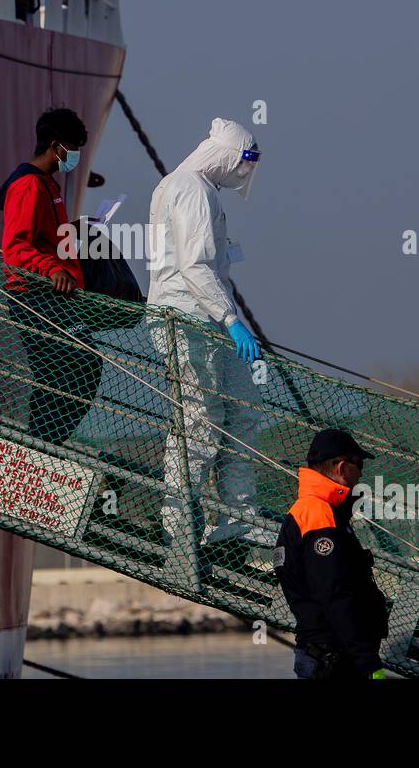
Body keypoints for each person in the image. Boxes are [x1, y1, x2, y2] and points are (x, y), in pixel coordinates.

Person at [147, 118, 268, 548]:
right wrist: (231, 319)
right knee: (199, 420)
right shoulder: (189, 188)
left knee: (241, 413)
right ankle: (178, 520)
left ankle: (239, 513)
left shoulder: (198, 190)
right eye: (243, 162)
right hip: (186, 318)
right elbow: (193, 265)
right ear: (225, 156)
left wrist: (227, 318)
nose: (243, 173)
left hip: (209, 320)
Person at [0, 107, 103, 445]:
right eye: (72, 148)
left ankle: (43, 442)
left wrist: (74, 231)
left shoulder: (47, 186)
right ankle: (41, 442)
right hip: (34, 295)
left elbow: (45, 238)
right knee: (76, 367)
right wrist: (52, 269)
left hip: (54, 296)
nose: (75, 156)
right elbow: (15, 249)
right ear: (56, 146)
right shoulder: (28, 185)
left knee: (68, 370)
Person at [273, 428, 389, 680]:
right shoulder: (318, 515)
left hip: (330, 654)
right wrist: (368, 663)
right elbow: (334, 593)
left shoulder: (318, 510)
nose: (361, 474)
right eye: (359, 465)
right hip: (334, 659)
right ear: (341, 467)